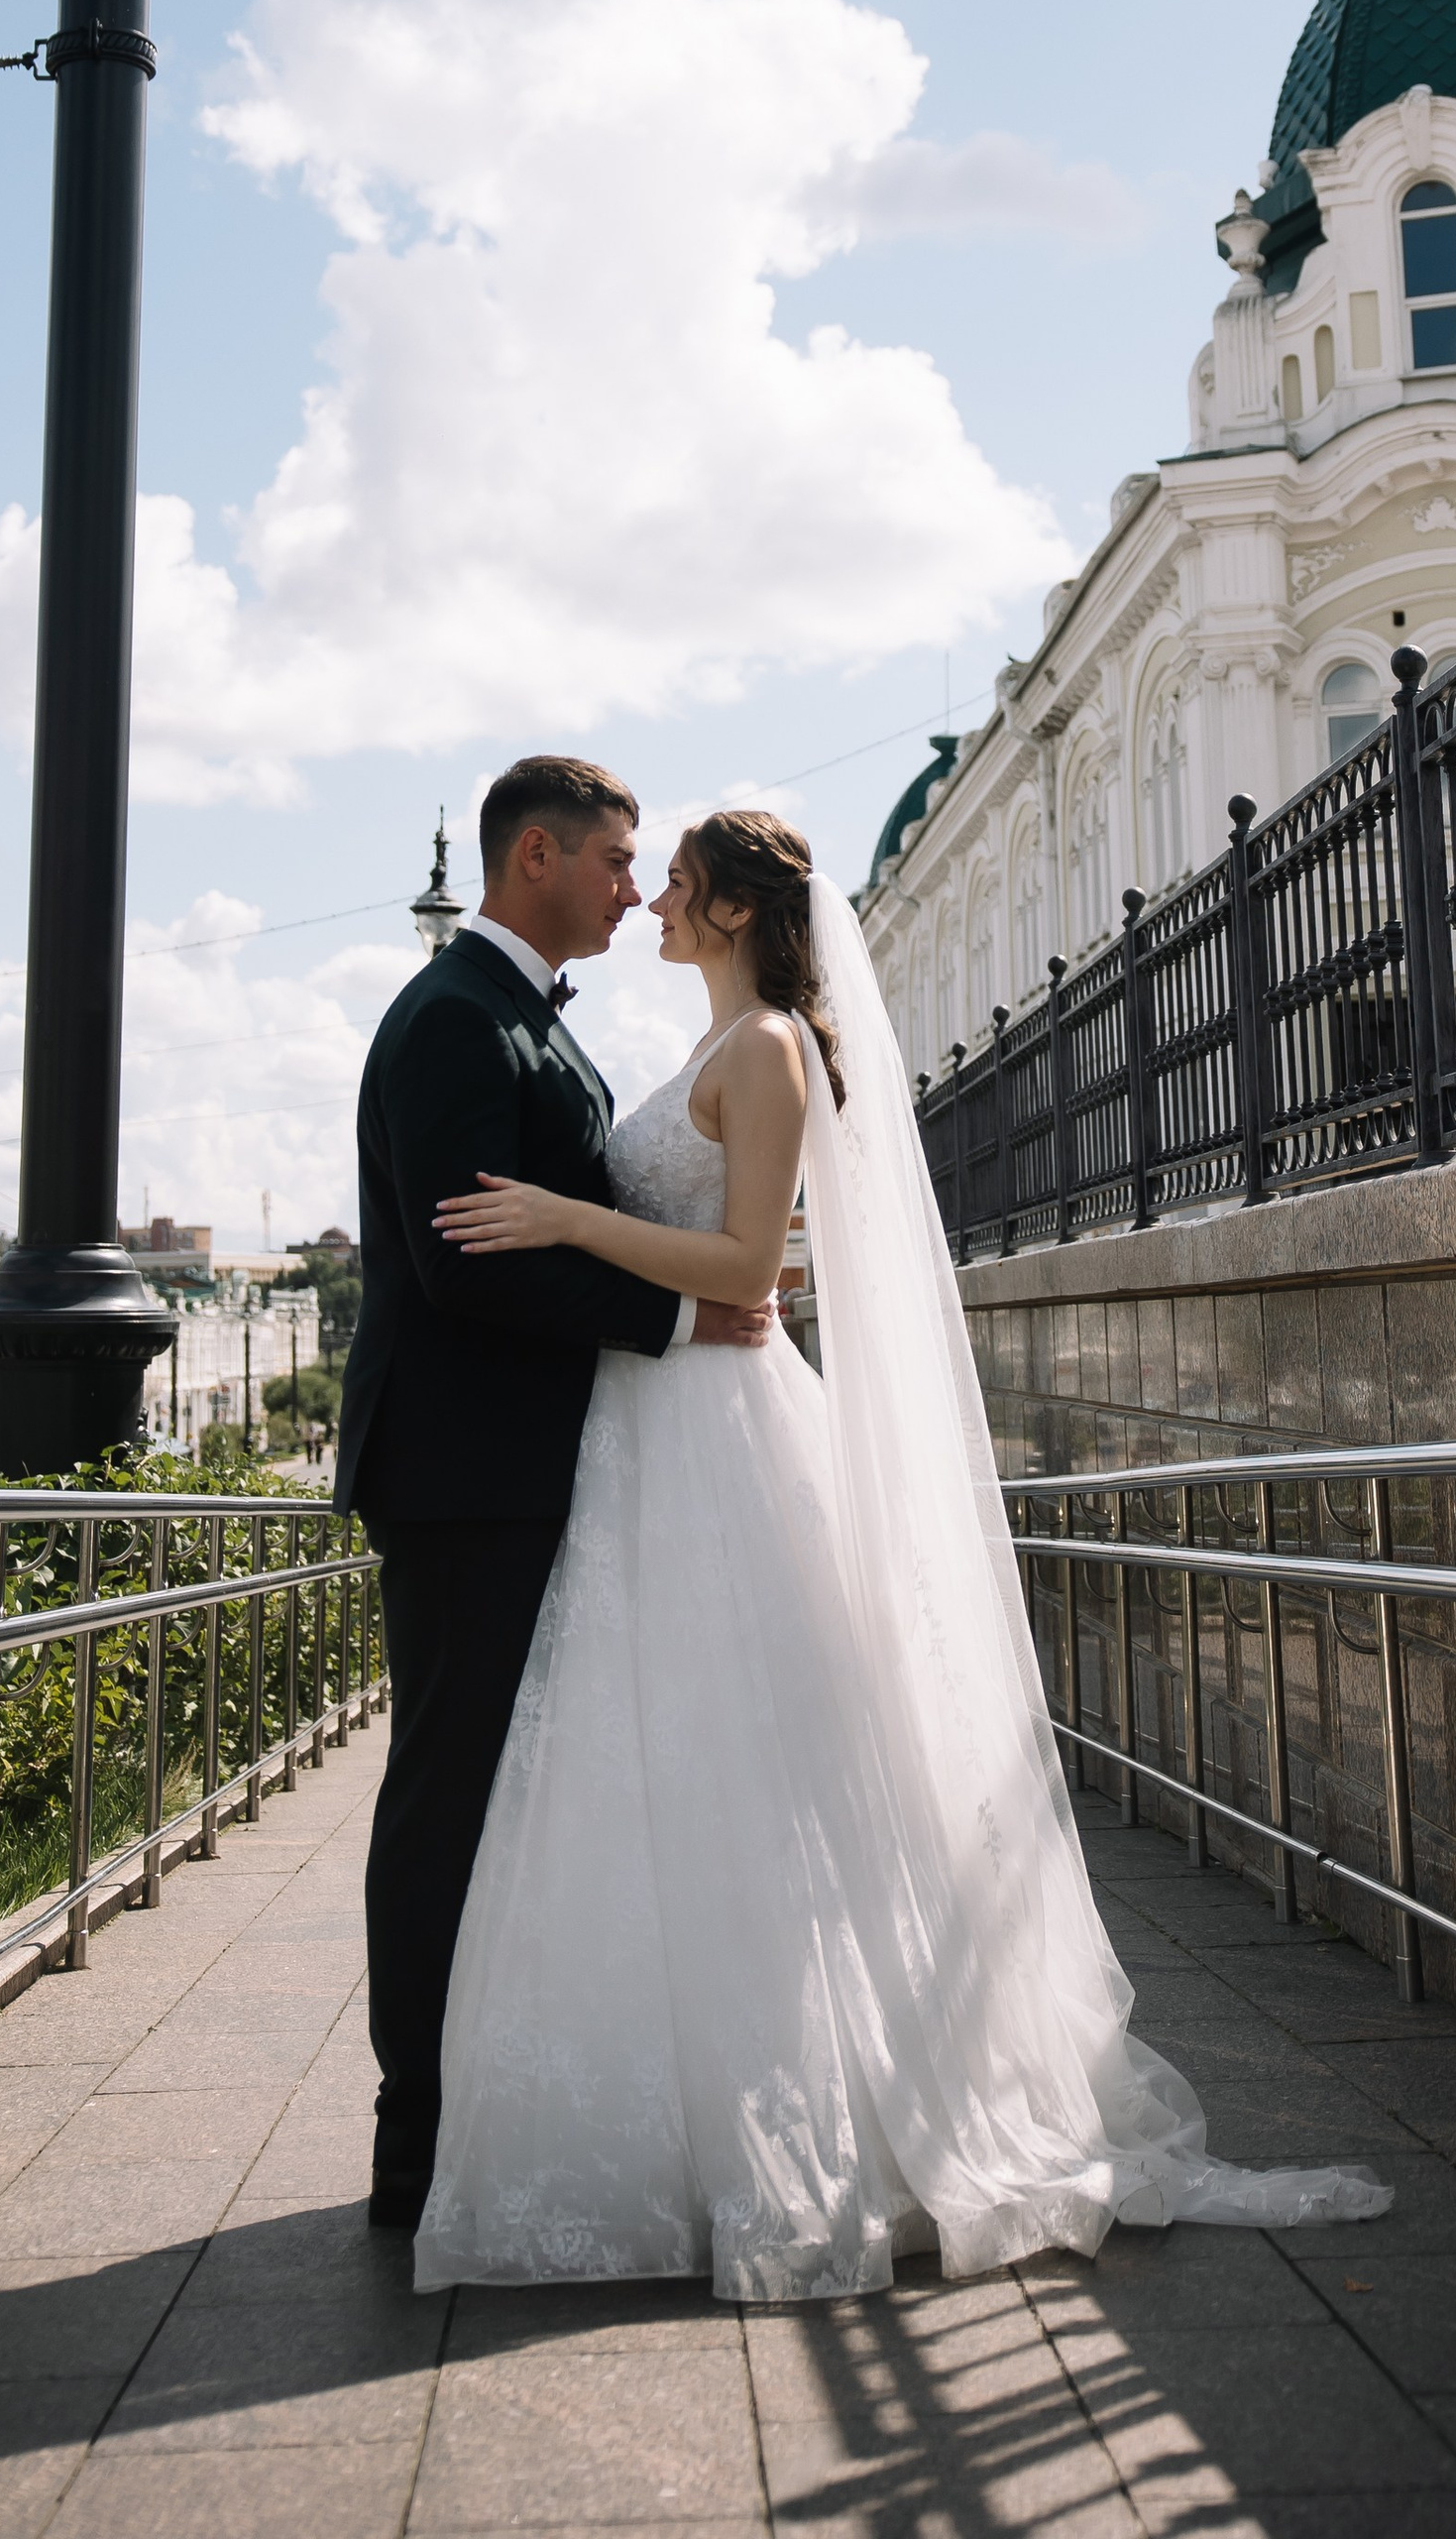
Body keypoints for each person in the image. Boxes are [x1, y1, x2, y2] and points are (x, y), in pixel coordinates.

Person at [411, 807, 1388, 2303]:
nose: (651, 900)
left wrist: (557, 1217)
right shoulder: (706, 1053)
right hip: (652, 1428)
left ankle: (809, 2122)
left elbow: (747, 1269)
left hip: (715, 1419)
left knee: (752, 1768)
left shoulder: (772, 1054)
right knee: (655, 1759)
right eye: (643, 874)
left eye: (671, 881)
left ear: (736, 909)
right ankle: (677, 2120)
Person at [334, 755, 776, 2228]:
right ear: (537, 855)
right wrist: (674, 1320)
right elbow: (468, 1259)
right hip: (465, 1473)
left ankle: (481, 2102)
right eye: (612, 861)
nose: (632, 886)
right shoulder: (459, 1019)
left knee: (509, 1793)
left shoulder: (514, 1017)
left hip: (529, 1465)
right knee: (452, 1793)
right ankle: (419, 2132)